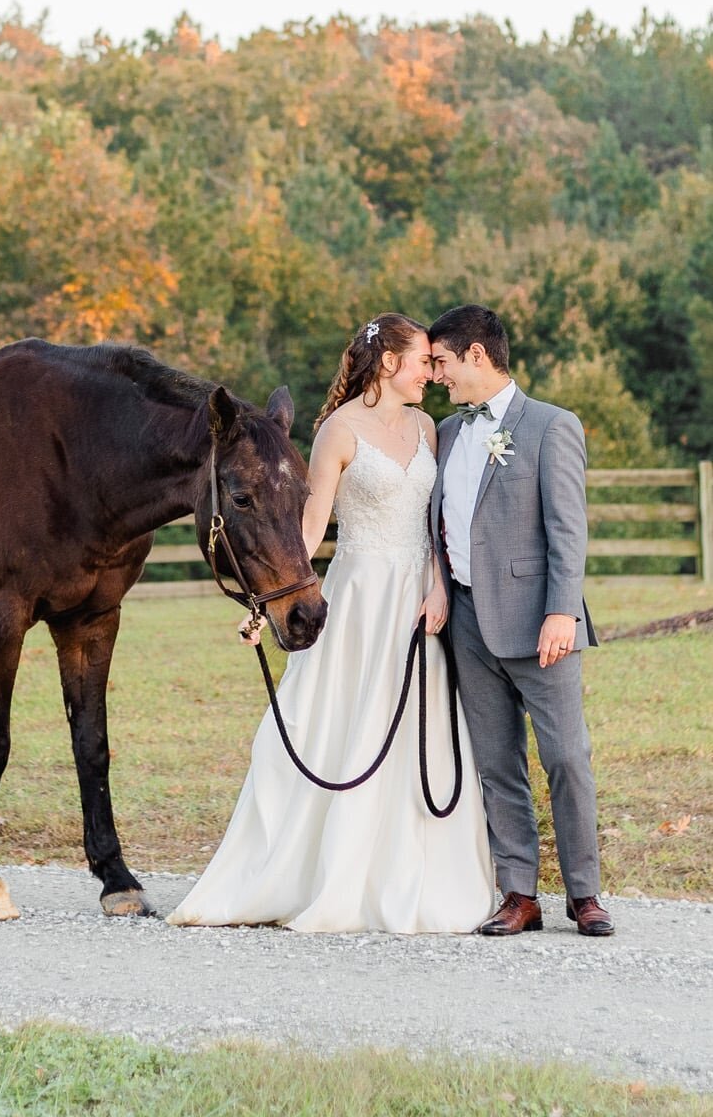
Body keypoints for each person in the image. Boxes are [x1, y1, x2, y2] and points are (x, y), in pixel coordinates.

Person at [167, 313, 495, 933]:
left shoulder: (430, 428)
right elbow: (308, 528)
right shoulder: (338, 432)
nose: (431, 371)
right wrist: (272, 600)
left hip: (419, 600)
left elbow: (437, 522)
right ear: (390, 363)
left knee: (415, 736)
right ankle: (323, 875)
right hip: (358, 594)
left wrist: (436, 587)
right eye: (423, 361)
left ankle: (409, 877)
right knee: (336, 724)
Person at [427, 304, 613, 938]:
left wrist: (563, 610)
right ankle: (519, 892)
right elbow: (440, 525)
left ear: (477, 355)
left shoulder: (552, 426)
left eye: (443, 362)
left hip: (541, 624)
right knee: (496, 761)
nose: (436, 375)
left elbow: (568, 529)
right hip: (467, 622)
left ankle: (584, 893)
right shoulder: (446, 434)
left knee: (566, 756)